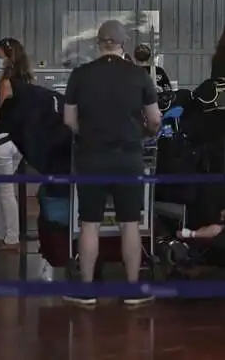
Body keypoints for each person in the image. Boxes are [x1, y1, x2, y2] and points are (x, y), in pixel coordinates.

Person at [62, 20, 161, 307]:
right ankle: (132, 289)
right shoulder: (139, 75)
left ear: (98, 42)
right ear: (123, 43)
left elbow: (69, 120)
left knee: (89, 223)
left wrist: (89, 134)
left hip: (91, 156)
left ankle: (87, 289)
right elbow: (154, 119)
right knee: (129, 223)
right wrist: (142, 134)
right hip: (128, 157)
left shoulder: (80, 75)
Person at [0, 37, 31, 250]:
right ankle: (1, 233)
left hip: (3, 140)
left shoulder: (6, 83)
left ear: (7, 57)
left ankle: (11, 237)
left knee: (5, 192)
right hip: (18, 141)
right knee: (4, 190)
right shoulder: (26, 80)